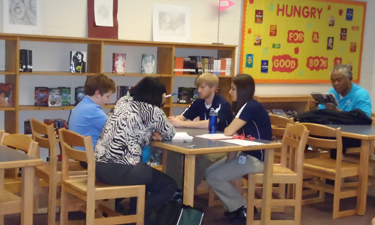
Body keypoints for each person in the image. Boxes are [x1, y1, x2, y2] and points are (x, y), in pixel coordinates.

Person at [95, 77, 177, 225]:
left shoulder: (123, 101)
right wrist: (161, 105)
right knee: (169, 185)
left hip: (99, 167)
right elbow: (170, 132)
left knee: (144, 175)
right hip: (123, 170)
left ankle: (138, 217)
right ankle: (137, 216)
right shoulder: (153, 111)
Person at [205, 74, 272, 223]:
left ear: (242, 91)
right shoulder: (245, 106)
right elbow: (237, 136)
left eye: (233, 89)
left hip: (258, 158)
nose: (230, 92)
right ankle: (237, 207)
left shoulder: (250, 106)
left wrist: (230, 160)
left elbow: (229, 132)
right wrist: (230, 160)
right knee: (209, 172)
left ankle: (241, 208)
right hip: (247, 154)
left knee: (214, 177)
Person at [167, 73, 233, 192]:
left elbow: (210, 124)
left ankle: (188, 191)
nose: (199, 90)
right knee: (173, 152)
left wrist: (181, 123)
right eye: (198, 87)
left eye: (203, 87)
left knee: (204, 157)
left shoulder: (222, 104)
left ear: (213, 88)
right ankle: (175, 189)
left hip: (223, 145)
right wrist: (175, 121)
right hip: (204, 142)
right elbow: (182, 117)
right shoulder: (198, 102)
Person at [318, 64, 372, 158]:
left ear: (349, 78)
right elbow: (321, 111)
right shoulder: (332, 92)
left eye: (339, 80)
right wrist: (314, 108)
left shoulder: (361, 94)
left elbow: (364, 118)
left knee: (335, 139)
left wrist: (335, 111)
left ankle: (335, 168)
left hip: (354, 136)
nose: (335, 83)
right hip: (334, 132)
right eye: (333, 80)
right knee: (306, 132)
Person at [69, 74, 116, 152]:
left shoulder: (81, 105)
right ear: (97, 93)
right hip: (91, 158)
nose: (108, 100)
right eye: (107, 96)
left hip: (80, 156)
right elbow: (115, 130)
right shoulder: (93, 110)